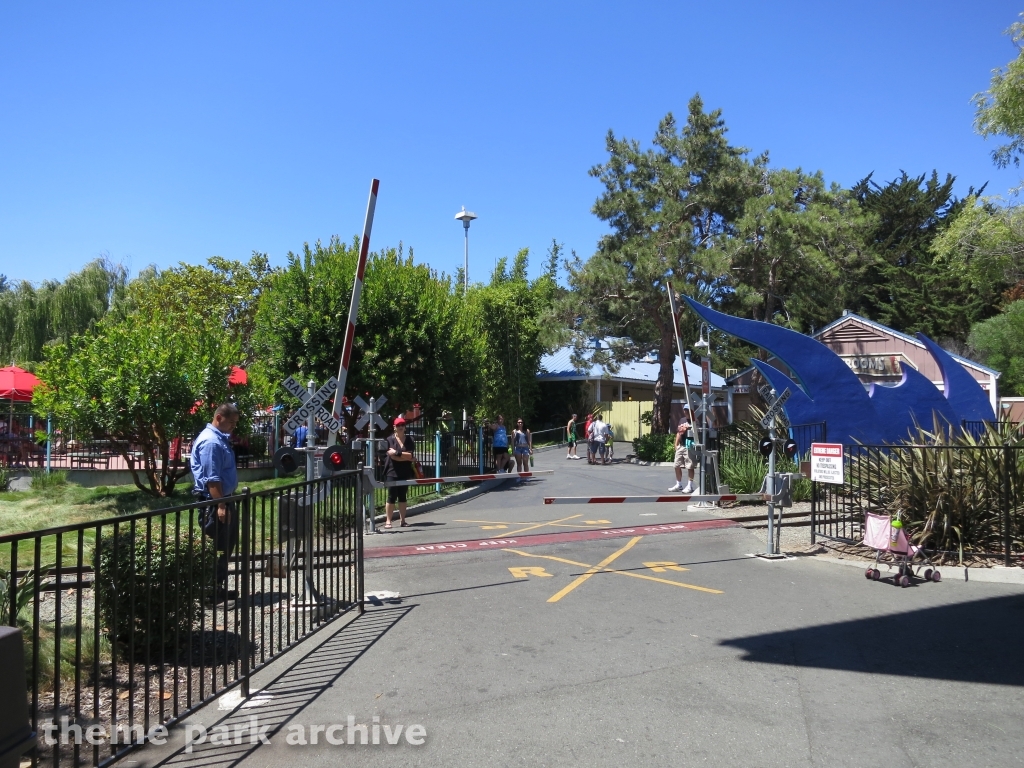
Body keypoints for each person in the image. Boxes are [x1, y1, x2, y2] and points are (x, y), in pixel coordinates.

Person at [191, 403, 241, 601]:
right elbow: (212, 479)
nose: (233, 427)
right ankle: (209, 590)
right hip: (214, 503)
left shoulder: (218, 439)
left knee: (224, 545)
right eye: (231, 422)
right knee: (216, 547)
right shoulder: (211, 442)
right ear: (219, 418)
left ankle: (216, 587)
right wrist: (220, 505)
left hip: (222, 500)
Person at [384, 416, 416, 528]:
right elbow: (392, 457)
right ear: (394, 427)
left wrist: (397, 453)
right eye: (398, 425)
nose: (401, 427)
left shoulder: (410, 440)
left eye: (403, 425)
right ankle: (388, 521)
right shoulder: (389, 440)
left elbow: (410, 455)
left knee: (403, 496)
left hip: (405, 471)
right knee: (391, 496)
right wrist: (405, 456)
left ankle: (403, 520)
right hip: (392, 472)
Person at [669, 409, 696, 493]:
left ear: (691, 411)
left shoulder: (695, 421)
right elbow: (678, 433)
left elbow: (698, 433)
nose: (686, 412)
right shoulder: (682, 420)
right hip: (681, 445)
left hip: (690, 446)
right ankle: (678, 484)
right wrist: (676, 444)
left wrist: (688, 429)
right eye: (685, 410)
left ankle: (689, 486)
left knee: (690, 466)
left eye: (688, 410)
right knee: (676, 465)